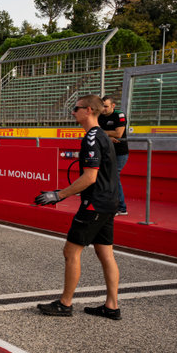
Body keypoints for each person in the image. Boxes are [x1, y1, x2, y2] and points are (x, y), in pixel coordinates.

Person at [34, 94, 121, 320]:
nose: (73, 112)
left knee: (71, 251)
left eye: (76, 108)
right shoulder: (102, 136)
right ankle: (112, 306)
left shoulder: (92, 137)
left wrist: (58, 195)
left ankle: (65, 303)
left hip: (95, 203)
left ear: (89, 110)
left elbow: (90, 177)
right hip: (109, 202)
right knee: (106, 254)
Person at [99, 95, 128, 215]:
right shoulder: (99, 116)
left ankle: (119, 207)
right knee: (108, 177)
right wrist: (109, 136)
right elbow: (93, 130)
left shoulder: (119, 115)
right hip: (105, 151)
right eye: (102, 106)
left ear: (113, 106)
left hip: (119, 152)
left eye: (106, 106)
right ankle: (118, 206)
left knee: (113, 177)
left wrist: (104, 133)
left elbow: (119, 133)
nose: (103, 109)